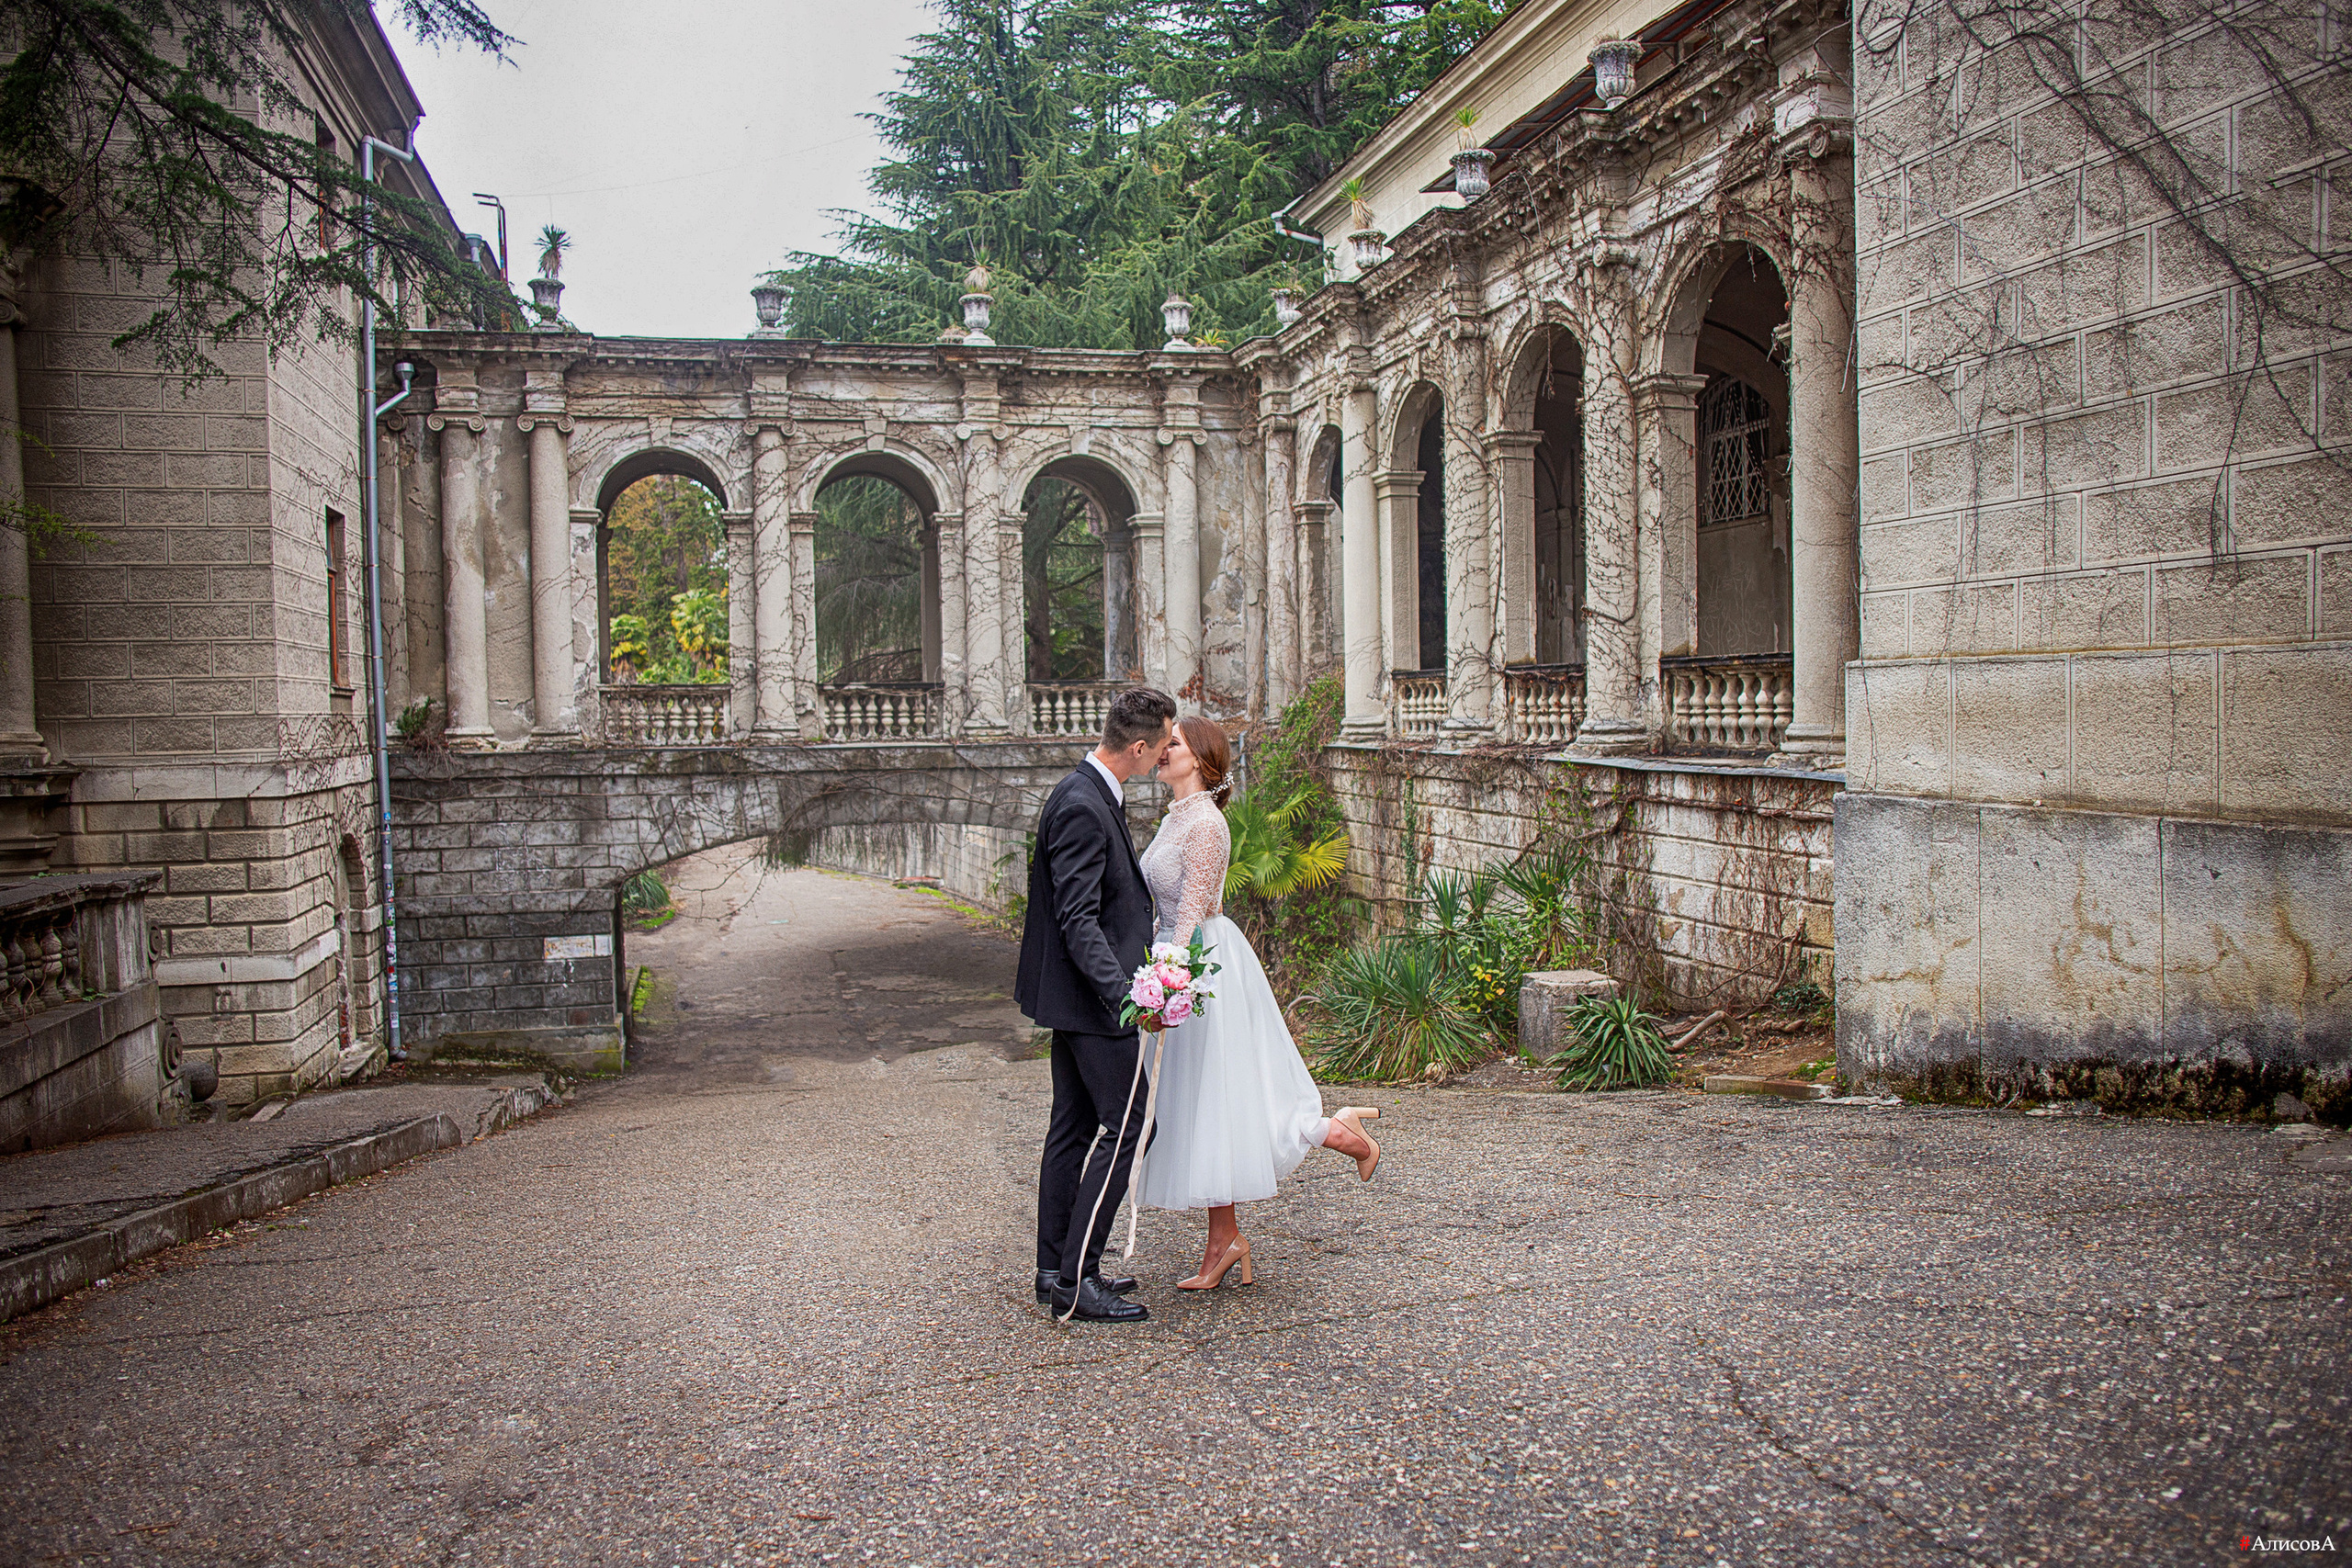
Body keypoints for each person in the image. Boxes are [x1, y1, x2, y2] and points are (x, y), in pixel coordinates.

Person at [1133, 716, 1383, 1291]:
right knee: (1202, 1106)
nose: (1163, 750)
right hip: (1175, 957)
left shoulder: (1207, 824)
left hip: (1200, 964)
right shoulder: (1174, 817)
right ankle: (1225, 1240)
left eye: (1174, 743)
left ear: (1201, 760)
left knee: (1220, 1097)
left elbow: (1192, 909)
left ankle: (1333, 1130)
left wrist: (1168, 981)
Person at [1014, 686, 1177, 1324]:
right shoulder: (1084, 804)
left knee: (1074, 1129)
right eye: (1161, 746)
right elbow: (1079, 919)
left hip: (1077, 999)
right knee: (1133, 1126)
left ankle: (1053, 1269)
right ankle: (1077, 1279)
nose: (1164, 755)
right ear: (1137, 747)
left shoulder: (1084, 791)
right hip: (1095, 1002)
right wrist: (1126, 996)